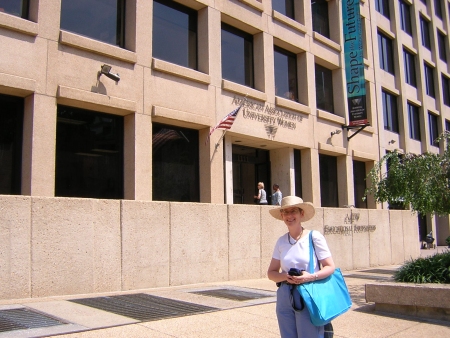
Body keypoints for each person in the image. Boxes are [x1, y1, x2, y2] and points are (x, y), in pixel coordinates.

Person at [267, 196, 336, 338]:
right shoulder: (281, 241)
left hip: (308, 293)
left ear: (301, 214)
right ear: (282, 216)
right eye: (286, 212)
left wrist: (309, 276)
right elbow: (271, 273)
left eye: (293, 211)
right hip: (285, 295)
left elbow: (330, 267)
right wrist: (285, 276)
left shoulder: (314, 237)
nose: (289, 216)